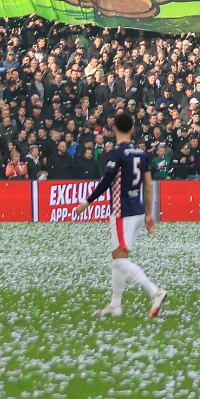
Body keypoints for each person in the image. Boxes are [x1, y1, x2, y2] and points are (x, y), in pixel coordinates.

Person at [74, 112, 168, 319]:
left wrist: (86, 203)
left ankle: (155, 292)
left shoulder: (116, 153)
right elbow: (149, 185)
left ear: (113, 129)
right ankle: (115, 305)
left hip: (121, 211)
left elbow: (106, 181)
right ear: (132, 129)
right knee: (119, 257)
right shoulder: (142, 154)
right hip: (137, 211)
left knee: (118, 260)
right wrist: (150, 215)